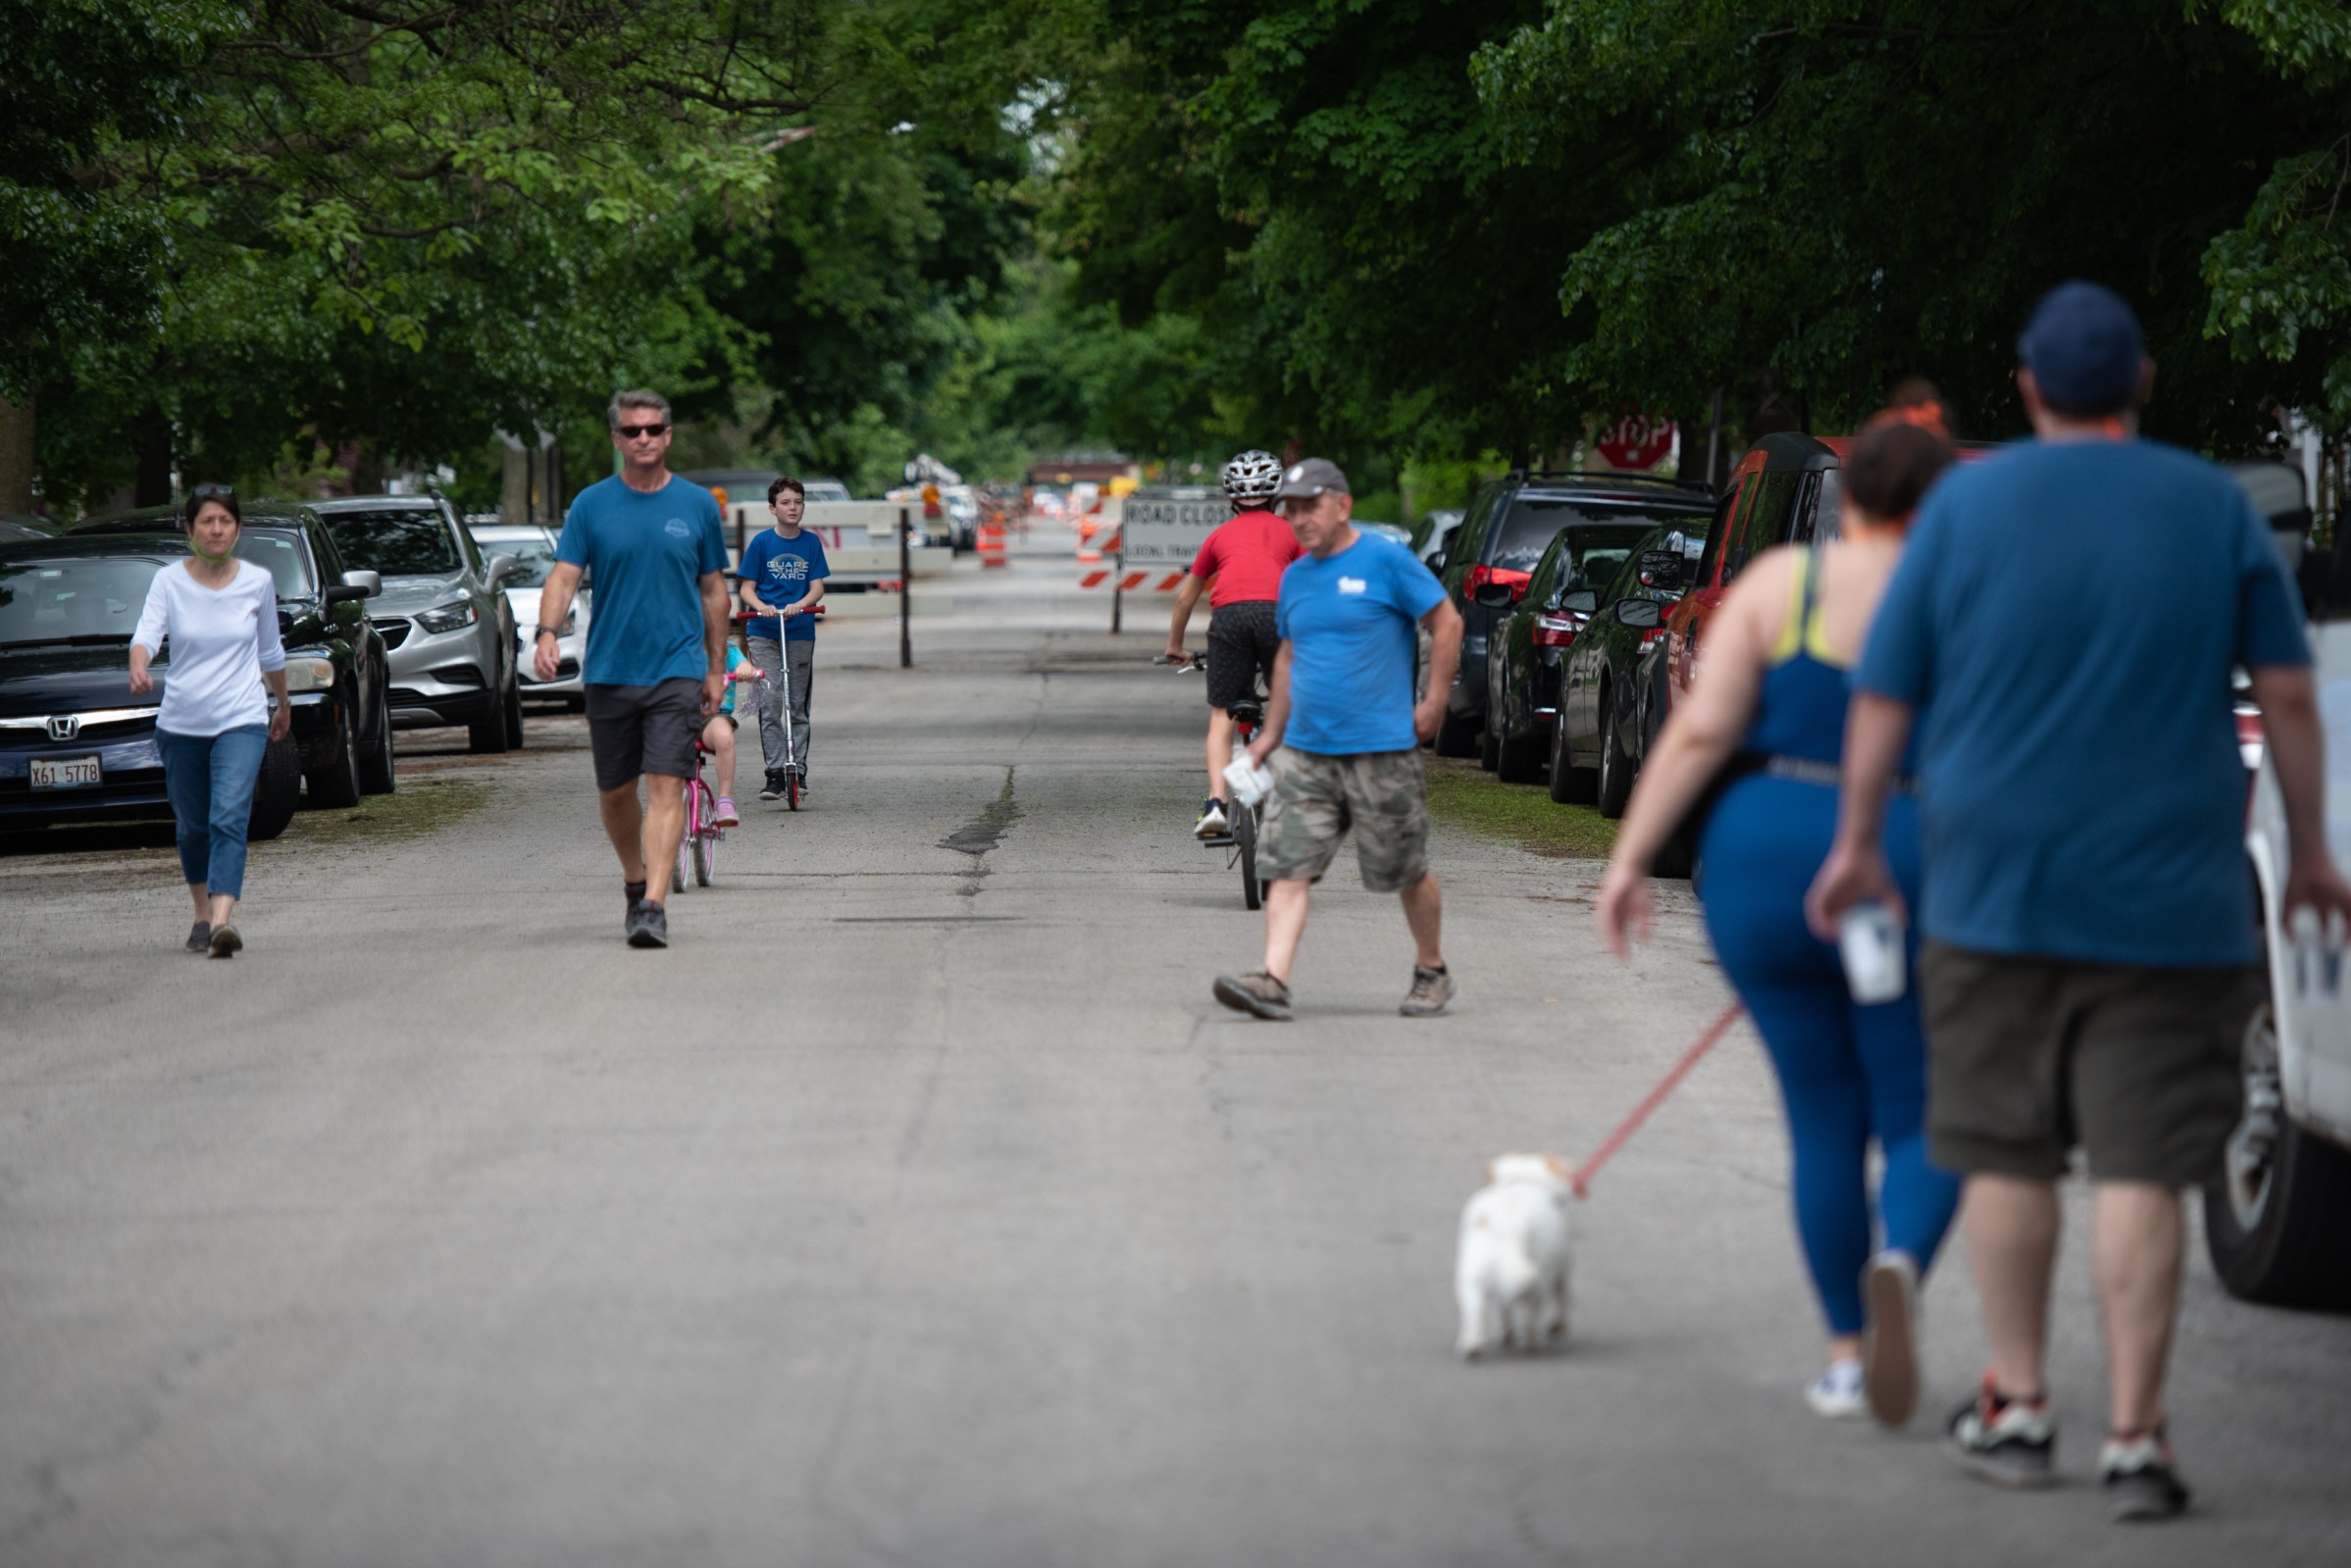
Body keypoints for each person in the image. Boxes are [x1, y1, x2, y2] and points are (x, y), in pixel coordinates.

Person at [1808, 281, 2351, 1521]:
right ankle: (2137, 1438)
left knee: (2003, 1154)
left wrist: (1855, 844)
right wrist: (2313, 854)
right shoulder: (2216, 508)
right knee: (2149, 1171)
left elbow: (1887, 691)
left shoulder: (1960, 506)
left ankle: (2020, 1403)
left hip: (1996, 887)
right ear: (2143, 384)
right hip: (2176, 893)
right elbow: (2294, 691)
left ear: (2032, 387)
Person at [1596, 422, 1965, 1428]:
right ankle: (1901, 1260)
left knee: (1821, 1119)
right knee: (1923, 1111)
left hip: (1761, 859)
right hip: (1903, 858)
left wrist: (1630, 860)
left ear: (1846, 506)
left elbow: (1703, 728)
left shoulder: (1780, 588)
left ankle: (1848, 1354)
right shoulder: (1963, 596)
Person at [1211, 458, 1464, 1020]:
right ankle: (1273, 978)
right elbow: (1290, 657)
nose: (1299, 519)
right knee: (1286, 865)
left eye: (1310, 506)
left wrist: (1434, 701)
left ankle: (1432, 969)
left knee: (1405, 869)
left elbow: (1447, 622)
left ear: (1342, 505)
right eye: (1292, 509)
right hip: (1307, 753)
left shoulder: (1387, 561)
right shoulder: (1296, 577)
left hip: (1381, 751)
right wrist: (1269, 736)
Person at [534, 390, 729, 949]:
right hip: (612, 670)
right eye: (632, 430)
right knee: (616, 792)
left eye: (654, 428)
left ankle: (653, 906)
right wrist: (548, 633)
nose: (644, 438)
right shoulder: (592, 506)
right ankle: (634, 878)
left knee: (667, 784)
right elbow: (564, 576)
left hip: (678, 666)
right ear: (618, 439)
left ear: (668, 435)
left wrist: (716, 669)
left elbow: (714, 592)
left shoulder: (696, 505)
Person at [128, 484, 291, 958]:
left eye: (225, 521)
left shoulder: (257, 581)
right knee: (193, 826)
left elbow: (270, 651)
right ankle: (201, 913)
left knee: (229, 816)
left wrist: (282, 703)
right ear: (189, 530)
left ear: (238, 529)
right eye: (206, 521)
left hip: (242, 718)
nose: (216, 529)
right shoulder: (169, 582)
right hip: (181, 722)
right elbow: (146, 633)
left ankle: (223, 921)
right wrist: (139, 664)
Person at [1164, 448, 1301, 836]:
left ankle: (1216, 804)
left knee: (1222, 713)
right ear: (1278, 496)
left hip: (1229, 619)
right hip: (1278, 616)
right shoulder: (1291, 533)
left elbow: (1186, 598)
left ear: (1231, 498)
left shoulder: (1218, 536)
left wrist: (1175, 646)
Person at [739, 476, 829, 801]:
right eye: (786, 503)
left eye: (798, 502)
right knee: (771, 699)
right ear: (772, 508)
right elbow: (746, 587)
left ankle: (798, 771)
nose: (793, 508)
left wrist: (799, 605)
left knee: (797, 704)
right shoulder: (762, 543)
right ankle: (776, 773)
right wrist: (761, 607)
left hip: (799, 631)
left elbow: (817, 586)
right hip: (764, 632)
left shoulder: (811, 543)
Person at [697, 642, 762, 827]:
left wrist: (745, 669)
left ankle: (725, 799)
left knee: (724, 736)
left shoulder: (728, 651)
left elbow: (745, 667)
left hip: (712, 716)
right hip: (674, 714)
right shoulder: (672, 645)